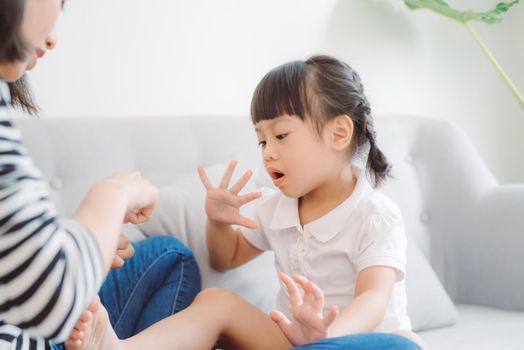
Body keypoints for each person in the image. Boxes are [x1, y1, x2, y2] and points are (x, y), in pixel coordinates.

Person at [65, 56, 427, 350]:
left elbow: (374, 300)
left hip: (350, 342)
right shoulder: (277, 207)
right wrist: (220, 222)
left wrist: (325, 334)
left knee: (407, 345)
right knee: (216, 301)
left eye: (281, 136)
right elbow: (227, 257)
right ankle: (121, 349)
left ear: (339, 133)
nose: (268, 153)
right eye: (262, 141)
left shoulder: (374, 215)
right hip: (287, 341)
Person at [0, 1, 200, 349]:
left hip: (38, 312)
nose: (53, 38)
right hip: (38, 320)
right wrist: (114, 193)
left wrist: (91, 244)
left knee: (170, 256)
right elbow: (51, 296)